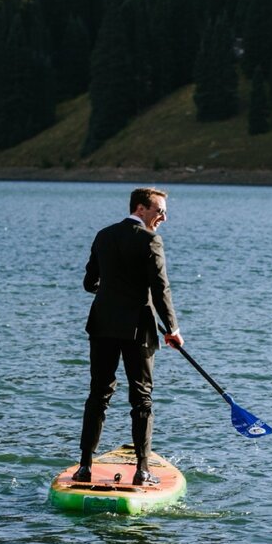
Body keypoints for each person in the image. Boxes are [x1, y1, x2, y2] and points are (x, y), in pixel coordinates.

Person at [71, 186, 184, 487]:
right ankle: (142, 470)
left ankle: (84, 466)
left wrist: (112, 293)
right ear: (141, 208)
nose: (163, 217)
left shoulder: (103, 235)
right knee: (142, 398)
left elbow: (89, 282)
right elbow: (160, 290)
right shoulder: (150, 240)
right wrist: (172, 329)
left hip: (102, 324)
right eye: (159, 210)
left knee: (98, 394)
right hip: (138, 329)